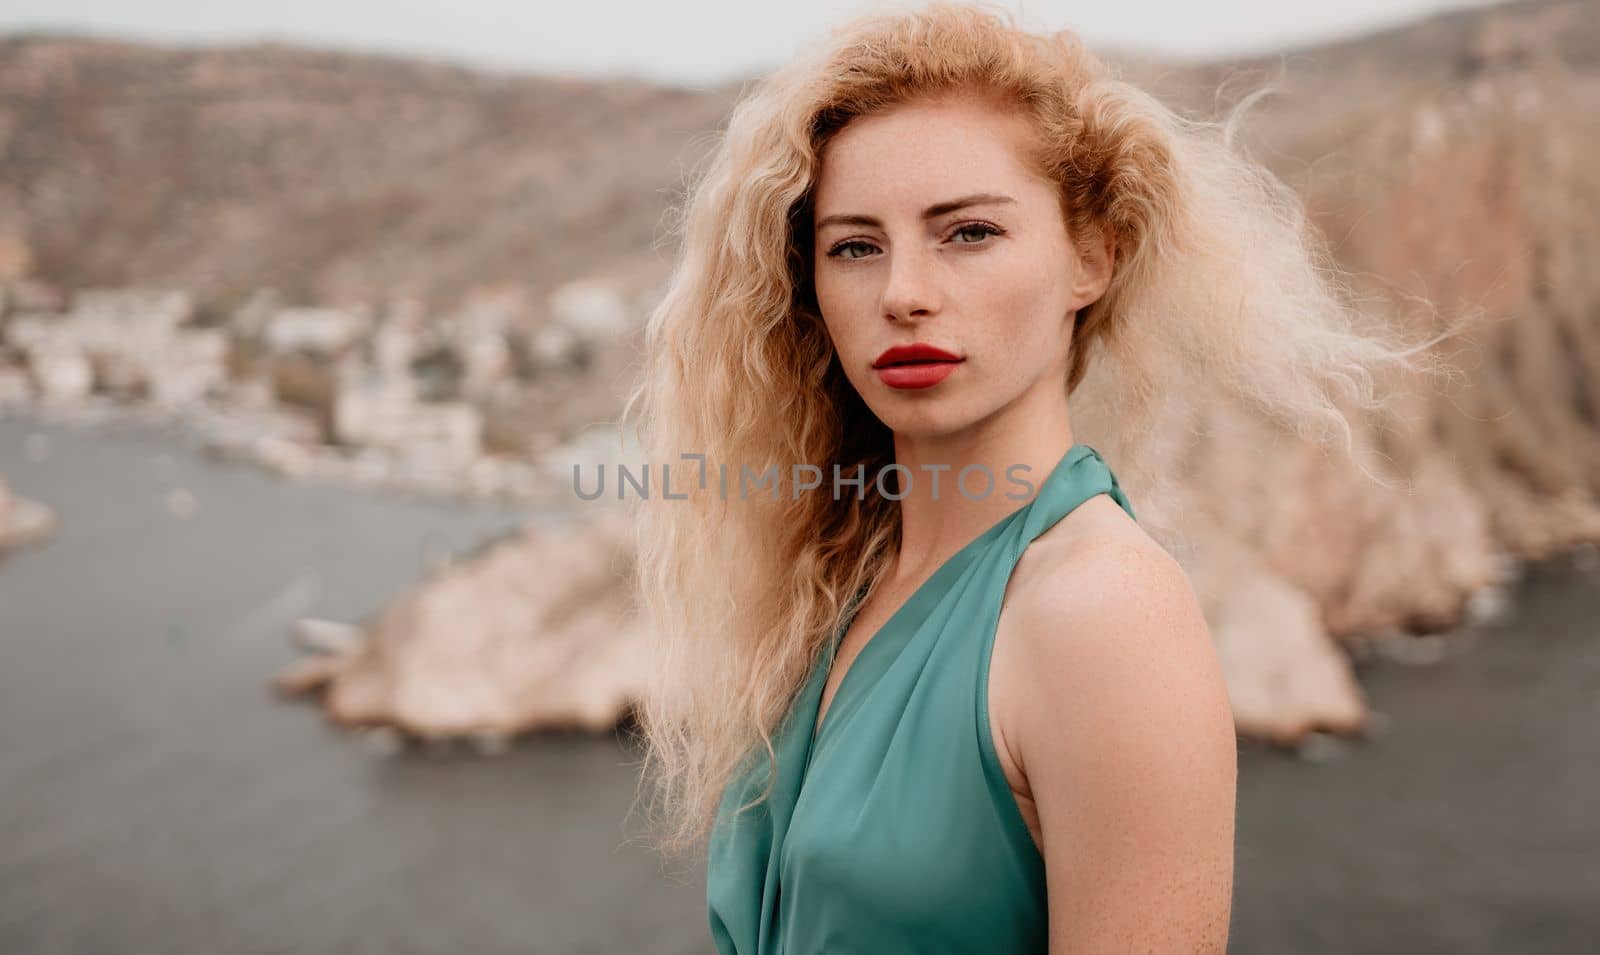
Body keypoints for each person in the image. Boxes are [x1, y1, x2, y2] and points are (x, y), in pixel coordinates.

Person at [621, 3, 1431, 951]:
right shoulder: (839, 582)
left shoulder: (1101, 612)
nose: (903, 292)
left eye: (967, 233)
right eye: (854, 245)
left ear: (1092, 255)